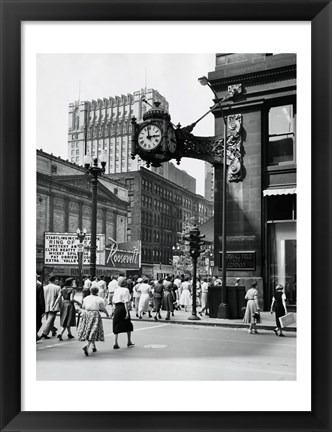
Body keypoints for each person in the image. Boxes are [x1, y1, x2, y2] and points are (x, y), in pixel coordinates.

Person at [77, 286, 110, 356]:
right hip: (95, 314)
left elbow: (83, 307)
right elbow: (102, 308)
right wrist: (107, 313)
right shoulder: (99, 299)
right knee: (93, 330)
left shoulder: (86, 298)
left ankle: (93, 346)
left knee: (90, 330)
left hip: (87, 313)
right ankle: (88, 345)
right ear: (97, 292)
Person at [112, 276, 134, 349]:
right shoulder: (126, 290)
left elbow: (114, 301)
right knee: (128, 324)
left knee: (116, 324)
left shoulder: (116, 290)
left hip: (117, 307)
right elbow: (125, 302)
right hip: (123, 308)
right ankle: (129, 341)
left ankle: (115, 342)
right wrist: (127, 312)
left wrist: (113, 310)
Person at [36, 275, 45, 341]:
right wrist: (43, 310)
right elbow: (41, 299)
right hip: (37, 308)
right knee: (38, 322)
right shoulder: (38, 286)